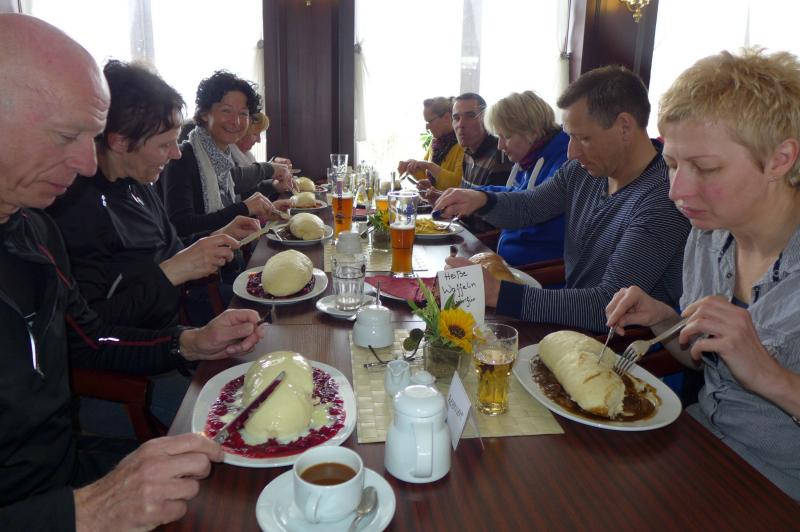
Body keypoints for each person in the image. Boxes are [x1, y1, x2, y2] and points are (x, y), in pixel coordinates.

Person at [0, 14, 265, 529]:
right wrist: (87, 511)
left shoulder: (33, 230)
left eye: (92, 137)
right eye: (67, 136)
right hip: (47, 505)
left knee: (240, 475)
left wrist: (190, 343)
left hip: (63, 471)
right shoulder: (69, 211)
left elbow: (90, 338)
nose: (86, 163)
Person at [605, 49, 800, 500]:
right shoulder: (708, 235)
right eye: (672, 164)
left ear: (780, 159)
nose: (677, 191)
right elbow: (698, 360)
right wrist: (663, 320)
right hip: (702, 448)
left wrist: (768, 375)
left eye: (706, 168)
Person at [436, 66, 691, 333]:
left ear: (624, 127)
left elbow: (606, 305)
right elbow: (528, 207)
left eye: (583, 138)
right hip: (572, 328)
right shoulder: (584, 170)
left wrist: (498, 293)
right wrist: (480, 199)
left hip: (621, 346)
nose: (571, 152)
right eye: (570, 137)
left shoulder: (664, 200)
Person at [48, 59, 260, 330]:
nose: (176, 153)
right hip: (152, 346)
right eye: (164, 145)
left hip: (177, 331)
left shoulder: (139, 183)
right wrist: (172, 273)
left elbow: (172, 250)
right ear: (120, 141)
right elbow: (91, 330)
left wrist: (220, 234)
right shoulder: (76, 208)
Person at [162, 70, 289, 239]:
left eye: (243, 113)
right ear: (204, 113)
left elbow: (227, 217)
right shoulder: (181, 158)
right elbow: (181, 227)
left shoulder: (224, 159)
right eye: (226, 111)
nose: (236, 121)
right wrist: (245, 208)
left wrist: (267, 210)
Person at [472, 90, 569, 265]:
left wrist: (480, 199)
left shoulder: (564, 161)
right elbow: (516, 193)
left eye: (507, 136)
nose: (500, 146)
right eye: (498, 136)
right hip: (511, 264)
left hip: (539, 273)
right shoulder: (531, 158)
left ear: (533, 131)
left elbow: (531, 203)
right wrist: (470, 195)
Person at [397, 96, 464, 192]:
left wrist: (430, 166)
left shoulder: (462, 145)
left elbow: (458, 184)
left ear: (446, 117)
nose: (427, 127)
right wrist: (413, 166)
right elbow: (427, 178)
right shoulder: (435, 143)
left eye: (429, 121)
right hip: (435, 200)